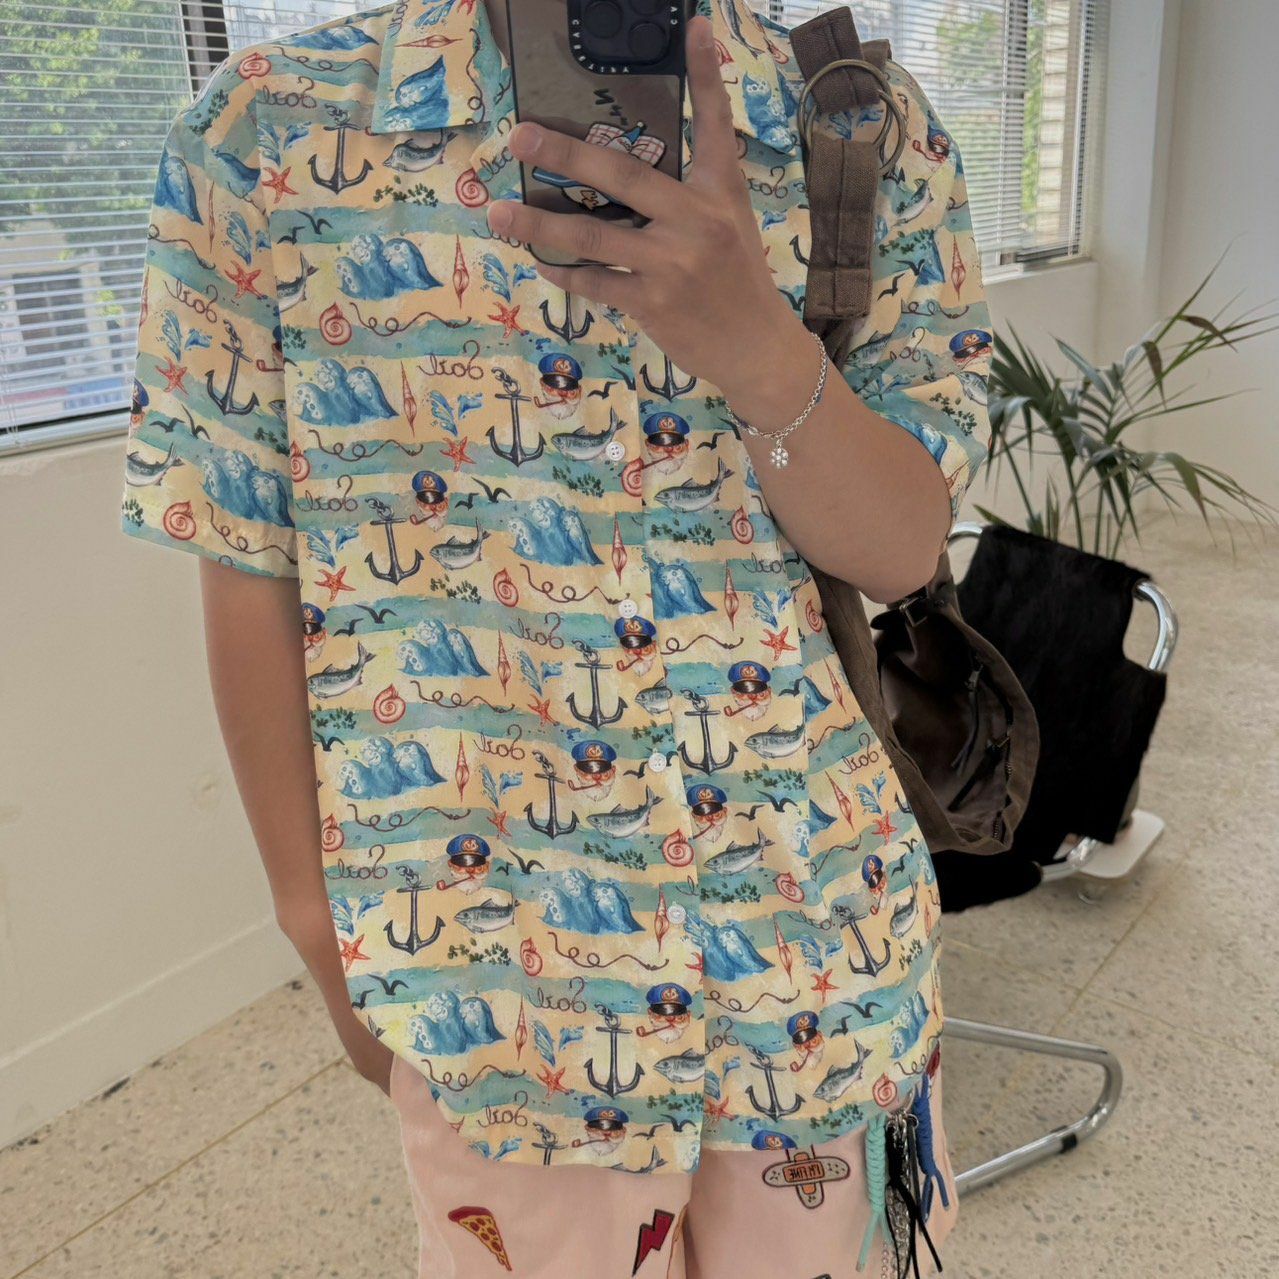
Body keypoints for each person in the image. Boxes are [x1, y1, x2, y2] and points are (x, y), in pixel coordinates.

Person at [120, 0, 991, 1274]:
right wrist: (314, 922)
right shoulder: (267, 137)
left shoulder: (859, 128)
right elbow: (247, 553)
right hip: (492, 978)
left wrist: (761, 353)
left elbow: (904, 552)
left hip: (816, 946)